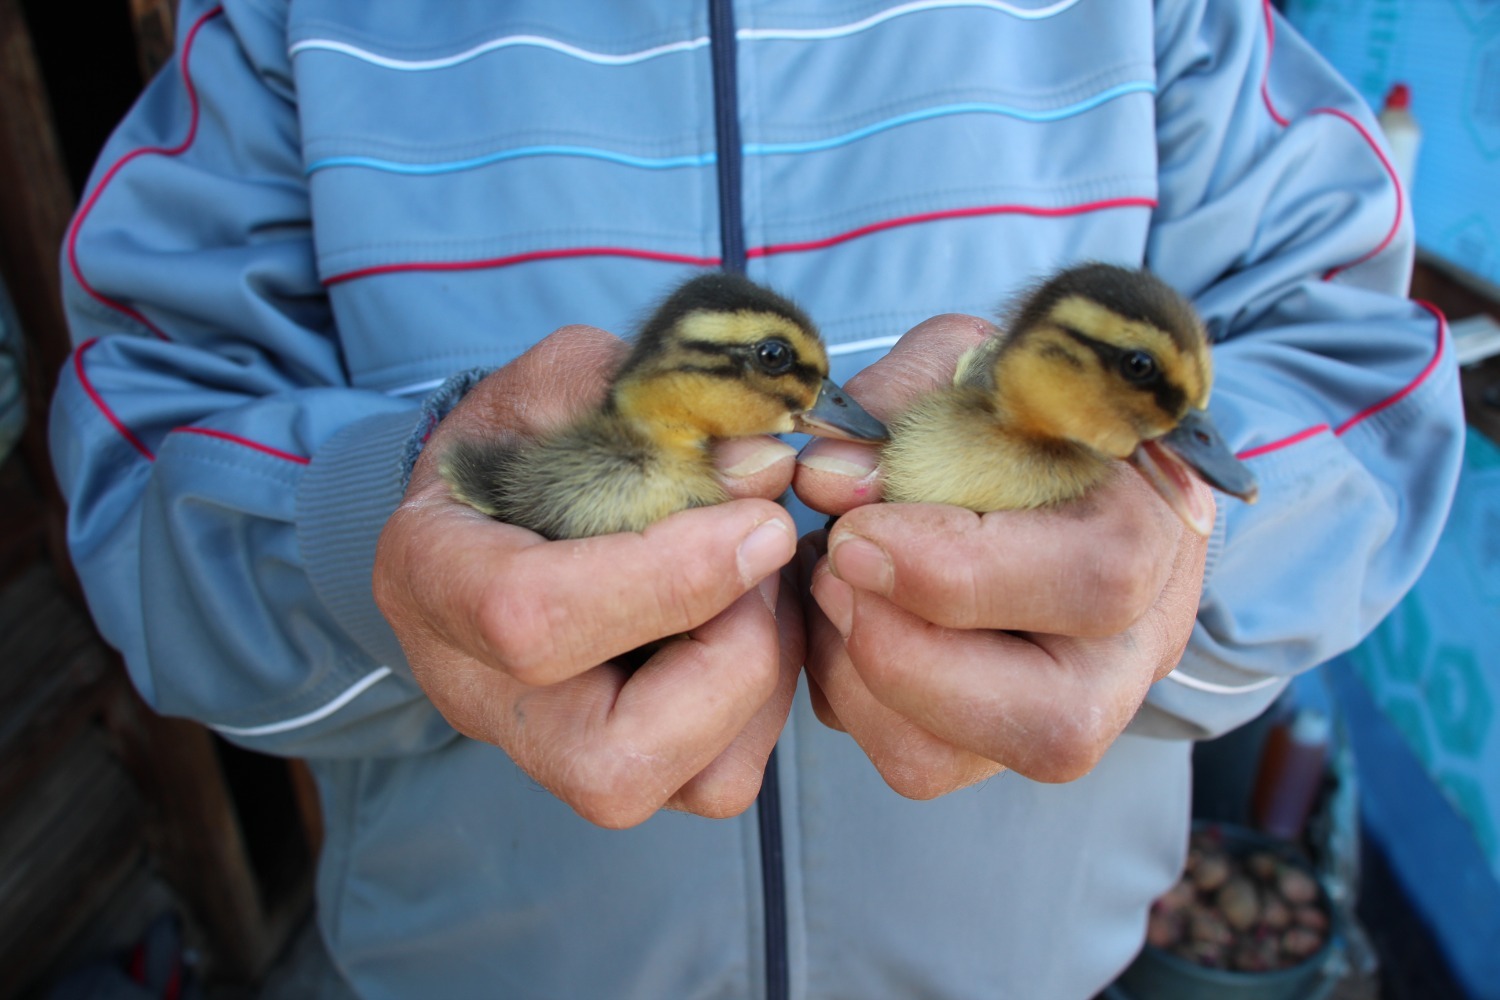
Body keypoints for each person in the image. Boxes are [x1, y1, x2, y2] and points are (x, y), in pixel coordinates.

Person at [52, 1, 1462, 997]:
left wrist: (1176, 571)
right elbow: (141, 449)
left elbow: (1358, 356)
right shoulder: (295, 30)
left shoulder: (1164, 18)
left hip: (1023, 971)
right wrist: (377, 538)